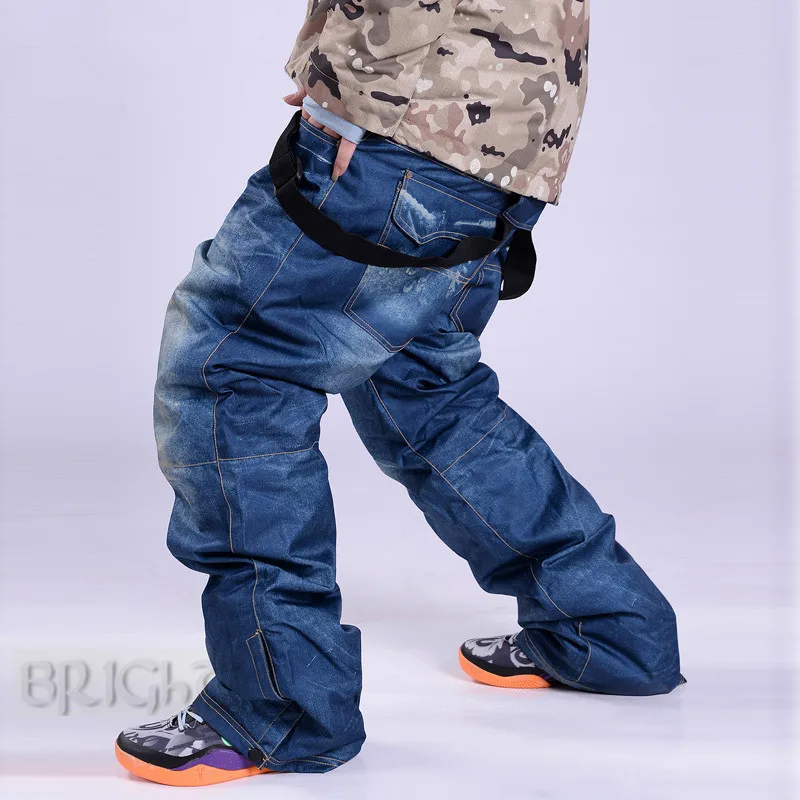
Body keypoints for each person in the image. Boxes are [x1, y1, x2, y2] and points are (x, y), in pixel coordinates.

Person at [115, 0, 683, 787]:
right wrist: (338, 58)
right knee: (424, 389)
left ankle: (280, 709)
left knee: (232, 374)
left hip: (405, 125)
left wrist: (362, 82)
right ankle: (610, 628)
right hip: (502, 129)